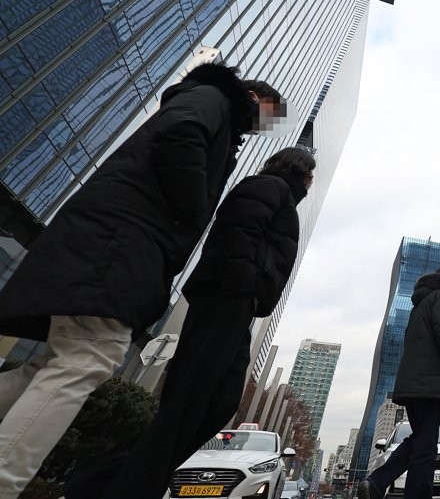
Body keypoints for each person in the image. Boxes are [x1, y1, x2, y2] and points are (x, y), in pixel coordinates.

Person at [0, 63, 282, 497]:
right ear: (252, 97)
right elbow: (181, 133)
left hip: (122, 240)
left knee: (53, 364)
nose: (267, 125)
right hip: (121, 240)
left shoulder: (218, 112)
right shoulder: (213, 98)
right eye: (268, 112)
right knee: (88, 357)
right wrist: (187, 213)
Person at [65, 147, 314, 499]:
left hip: (238, 304)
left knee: (221, 400)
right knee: (191, 399)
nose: (311, 181)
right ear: (297, 169)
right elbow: (240, 231)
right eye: (309, 173)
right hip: (225, 298)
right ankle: (125, 488)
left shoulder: (280, 195)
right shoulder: (267, 187)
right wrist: (244, 285)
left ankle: (99, 484)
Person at [359, 267, 440, 499]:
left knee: (421, 441)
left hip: (414, 383)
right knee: (426, 447)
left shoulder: (420, 304)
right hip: (430, 384)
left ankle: (377, 482)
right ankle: (383, 483)